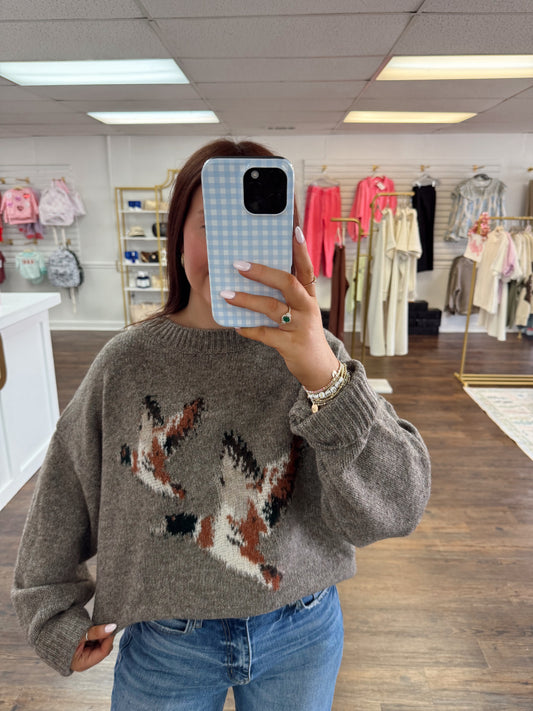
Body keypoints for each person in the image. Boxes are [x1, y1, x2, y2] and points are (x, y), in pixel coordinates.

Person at [12, 139, 431, 711]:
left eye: (257, 232)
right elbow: (65, 485)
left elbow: (398, 505)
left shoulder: (318, 356)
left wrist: (324, 376)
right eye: (213, 226)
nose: (235, 254)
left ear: (289, 241)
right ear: (177, 236)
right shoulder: (127, 363)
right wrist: (50, 613)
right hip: (166, 641)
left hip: (302, 629)